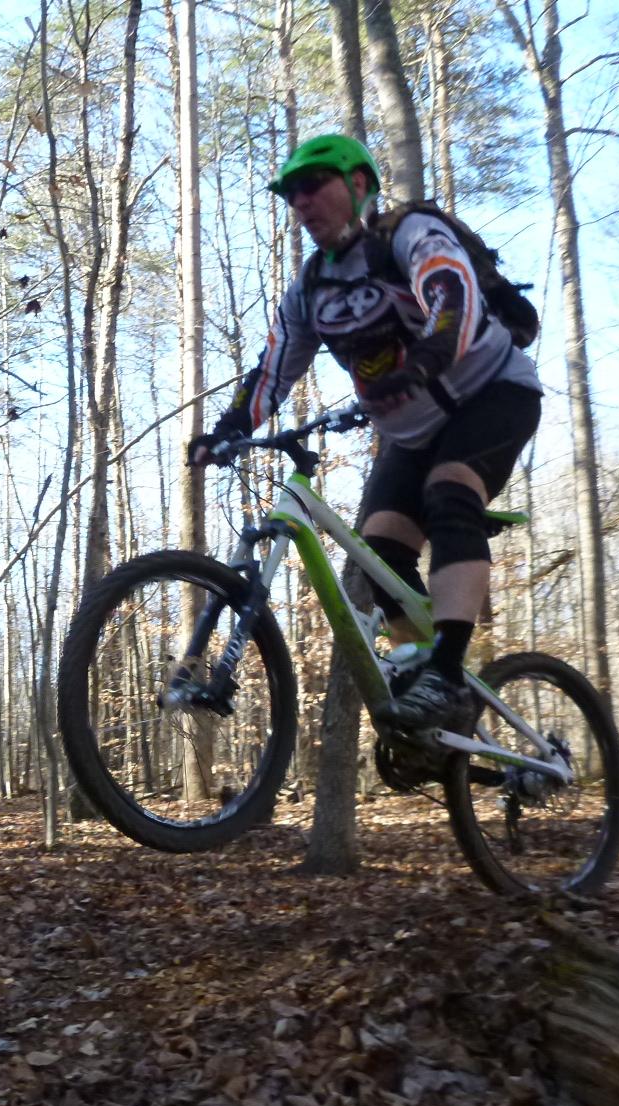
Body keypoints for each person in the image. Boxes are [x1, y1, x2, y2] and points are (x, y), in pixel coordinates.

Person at [188, 133, 542, 733]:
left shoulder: (408, 236)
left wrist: (427, 359)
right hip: (412, 434)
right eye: (291, 193)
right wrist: (226, 429)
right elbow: (272, 370)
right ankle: (417, 667)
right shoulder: (309, 289)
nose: (301, 202)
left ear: (358, 185)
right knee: (382, 556)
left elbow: (450, 293)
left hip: (492, 394)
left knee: (451, 492)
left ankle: (448, 676)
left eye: (314, 185)